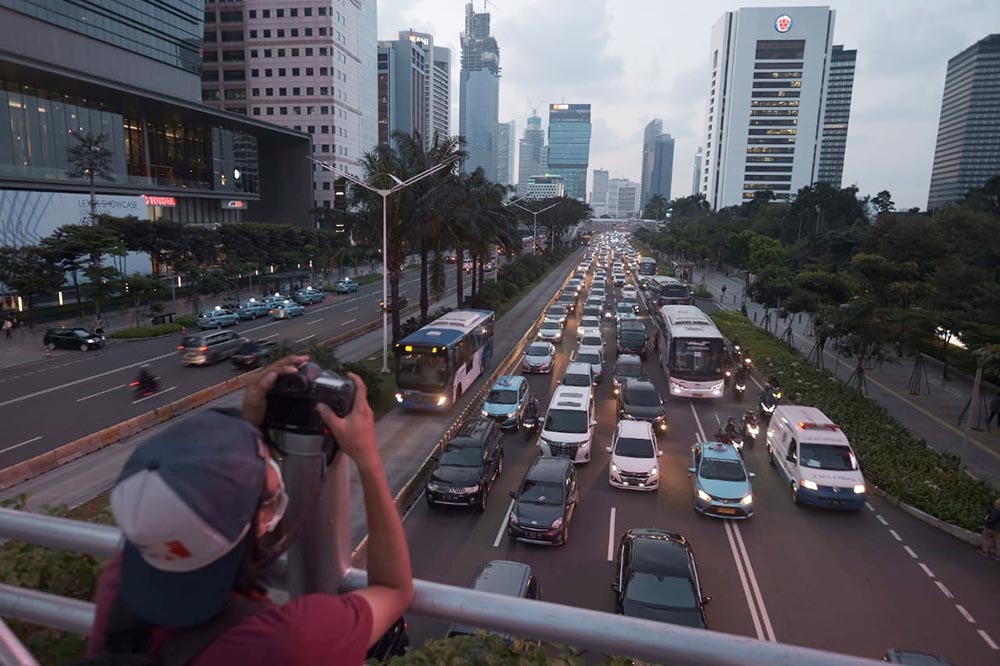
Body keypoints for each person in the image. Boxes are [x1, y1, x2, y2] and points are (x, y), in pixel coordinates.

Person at [86, 356, 413, 664]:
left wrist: (249, 423)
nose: (265, 453)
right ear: (260, 521)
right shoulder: (288, 641)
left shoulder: (118, 584)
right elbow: (393, 590)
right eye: (265, 463)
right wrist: (368, 455)